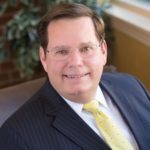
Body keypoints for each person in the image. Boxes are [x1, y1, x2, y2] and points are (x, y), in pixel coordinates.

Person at [0, 2, 150, 150]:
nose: (76, 62)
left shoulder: (132, 86)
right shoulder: (16, 137)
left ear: (103, 51)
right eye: (62, 51)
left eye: (86, 48)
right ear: (44, 58)